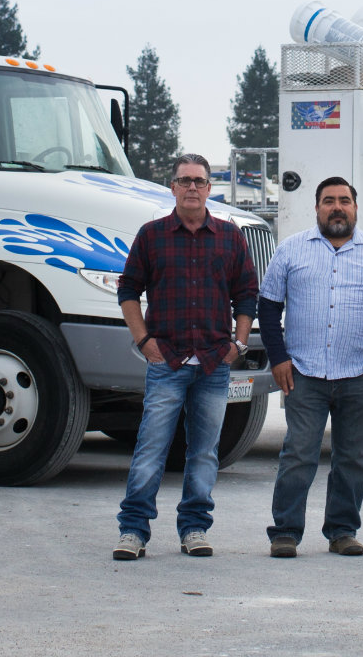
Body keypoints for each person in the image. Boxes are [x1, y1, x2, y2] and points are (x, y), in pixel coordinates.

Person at [114, 154, 258, 560]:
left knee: (204, 452)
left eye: (199, 181)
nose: (192, 187)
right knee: (150, 449)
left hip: (214, 363)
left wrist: (239, 344)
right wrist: (145, 342)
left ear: (210, 188)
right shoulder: (152, 235)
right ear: (172, 187)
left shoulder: (230, 238)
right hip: (167, 362)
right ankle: (134, 531)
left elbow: (247, 295)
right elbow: (128, 291)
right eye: (184, 181)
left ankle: (194, 527)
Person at [260, 176, 363, 558]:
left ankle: (343, 531)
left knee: (353, 458)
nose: (337, 207)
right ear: (317, 208)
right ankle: (286, 532)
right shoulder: (292, 250)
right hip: (304, 374)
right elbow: (269, 305)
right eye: (329, 200)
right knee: (298, 454)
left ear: (356, 208)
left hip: (360, 376)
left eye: (344, 200)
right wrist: (278, 358)